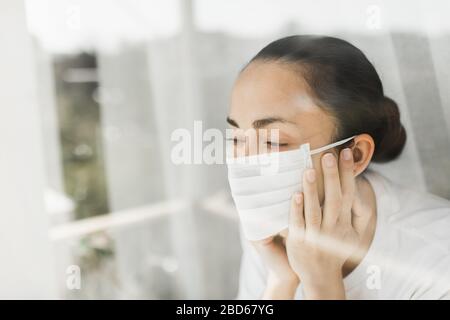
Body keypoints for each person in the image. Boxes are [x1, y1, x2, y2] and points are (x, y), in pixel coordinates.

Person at [226, 35, 450, 299]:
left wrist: (322, 283)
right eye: (236, 138)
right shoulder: (266, 223)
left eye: (273, 140)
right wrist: (280, 281)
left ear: (354, 155)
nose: (245, 160)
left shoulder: (437, 258)